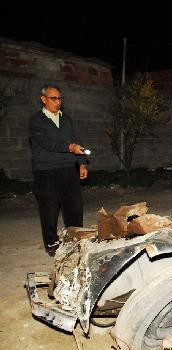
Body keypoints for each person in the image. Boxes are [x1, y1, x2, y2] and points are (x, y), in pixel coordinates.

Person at [28, 84, 89, 256]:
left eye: (60, 98)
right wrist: (70, 147)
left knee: (74, 208)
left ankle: (75, 239)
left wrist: (82, 163)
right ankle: (52, 244)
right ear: (43, 99)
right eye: (54, 98)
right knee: (49, 209)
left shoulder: (66, 119)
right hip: (46, 171)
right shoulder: (36, 121)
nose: (58, 102)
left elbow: (77, 140)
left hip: (68, 169)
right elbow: (46, 143)